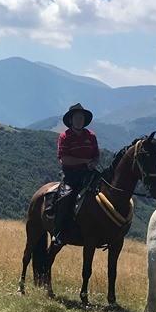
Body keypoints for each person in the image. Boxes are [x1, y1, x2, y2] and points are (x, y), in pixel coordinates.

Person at [51, 103, 100, 251]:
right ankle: (58, 233)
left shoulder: (91, 136)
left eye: (82, 118)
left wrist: (94, 162)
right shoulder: (65, 137)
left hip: (89, 174)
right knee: (66, 197)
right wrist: (85, 161)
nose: (80, 120)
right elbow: (65, 159)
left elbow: (96, 155)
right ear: (71, 120)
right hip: (71, 175)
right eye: (77, 117)